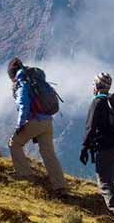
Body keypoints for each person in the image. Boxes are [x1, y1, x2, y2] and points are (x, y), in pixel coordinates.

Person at [7, 58, 68, 193]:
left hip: (36, 120)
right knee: (48, 153)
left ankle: (25, 175)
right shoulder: (36, 79)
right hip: (48, 121)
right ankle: (60, 185)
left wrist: (20, 125)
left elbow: (23, 104)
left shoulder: (22, 83)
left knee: (14, 143)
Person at [80, 72, 114, 222]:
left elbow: (90, 127)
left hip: (106, 148)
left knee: (104, 182)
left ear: (96, 86)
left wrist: (85, 147)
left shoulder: (97, 102)